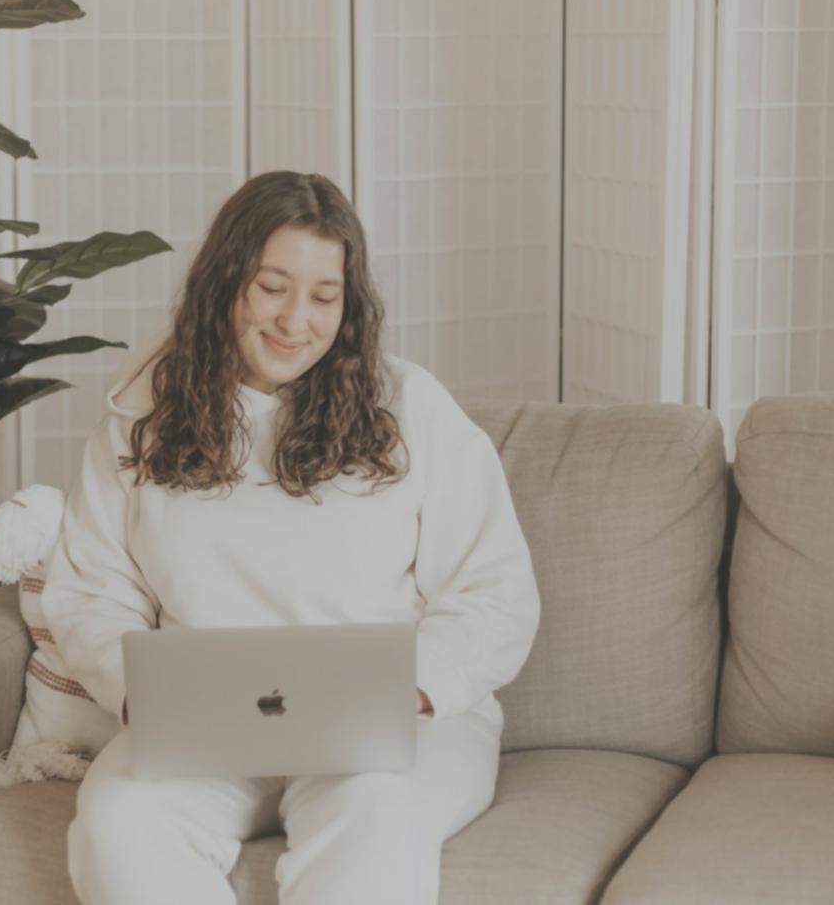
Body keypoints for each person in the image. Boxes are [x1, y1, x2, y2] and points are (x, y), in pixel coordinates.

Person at [40, 170, 541, 905]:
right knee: (115, 824)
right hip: (206, 729)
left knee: (377, 821)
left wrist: (411, 688)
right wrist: (137, 692)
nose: (294, 320)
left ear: (349, 303)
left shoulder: (410, 408)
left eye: (322, 296)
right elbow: (91, 588)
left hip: (391, 729)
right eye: (271, 286)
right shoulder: (144, 409)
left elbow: (494, 593)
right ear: (226, 283)